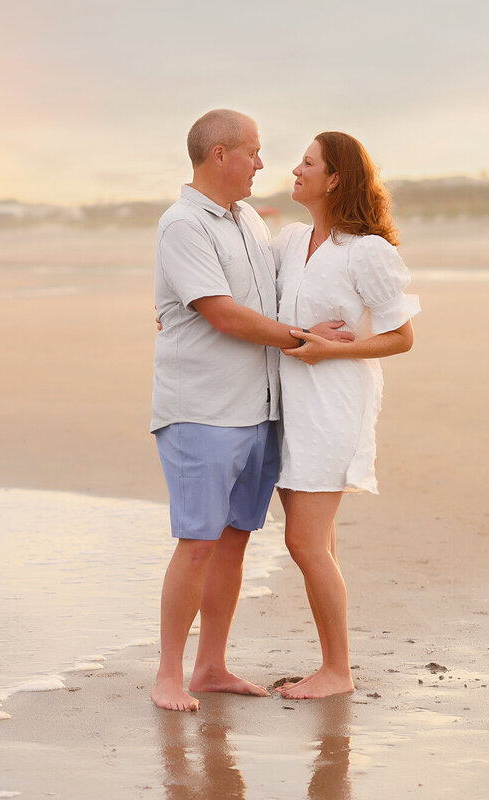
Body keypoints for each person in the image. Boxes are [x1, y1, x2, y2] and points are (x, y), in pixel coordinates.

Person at [150, 110, 353, 712]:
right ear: (220, 155)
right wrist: (300, 338)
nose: (263, 164)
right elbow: (223, 313)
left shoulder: (245, 221)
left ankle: (211, 666)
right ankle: (168, 673)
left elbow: (263, 295)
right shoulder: (183, 224)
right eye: (254, 152)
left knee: (234, 540)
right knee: (197, 542)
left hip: (259, 409)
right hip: (202, 411)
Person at [270, 131, 420, 699]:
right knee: (318, 543)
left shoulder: (368, 252)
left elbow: (401, 337)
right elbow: (238, 292)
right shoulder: (288, 242)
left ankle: (337, 671)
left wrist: (335, 349)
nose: (296, 169)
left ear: (334, 179)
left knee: (305, 543)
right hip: (289, 406)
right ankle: (333, 665)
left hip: (334, 408)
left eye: (308, 163)